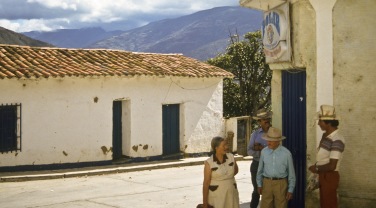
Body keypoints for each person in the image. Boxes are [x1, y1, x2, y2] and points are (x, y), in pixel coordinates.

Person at [308, 105, 345, 208]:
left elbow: (332, 166)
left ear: (328, 123)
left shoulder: (337, 139)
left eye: (320, 121)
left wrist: (316, 168)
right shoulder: (326, 136)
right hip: (323, 175)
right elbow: (323, 158)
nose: (318, 123)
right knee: (324, 204)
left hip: (330, 176)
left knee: (329, 204)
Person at [256, 127, 296, 208]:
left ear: (278, 141)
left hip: (281, 184)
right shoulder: (264, 152)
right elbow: (260, 170)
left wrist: (290, 190)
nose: (268, 142)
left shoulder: (286, 153)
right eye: (268, 140)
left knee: (281, 206)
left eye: (271, 140)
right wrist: (259, 184)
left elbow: (291, 173)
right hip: (267, 183)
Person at [202, 136, 240, 208]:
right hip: (217, 196)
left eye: (227, 145)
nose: (226, 147)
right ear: (216, 147)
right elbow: (206, 183)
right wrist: (205, 203)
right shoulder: (209, 162)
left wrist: (226, 178)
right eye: (224, 145)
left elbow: (236, 170)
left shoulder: (231, 157)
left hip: (231, 193)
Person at [247, 109, 272, 208]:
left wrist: (262, 148)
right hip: (257, 165)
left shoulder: (274, 133)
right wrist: (260, 152)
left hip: (270, 165)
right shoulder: (255, 134)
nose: (266, 121)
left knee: (269, 191)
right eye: (263, 119)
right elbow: (249, 151)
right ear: (259, 122)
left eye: (267, 119)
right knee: (257, 190)